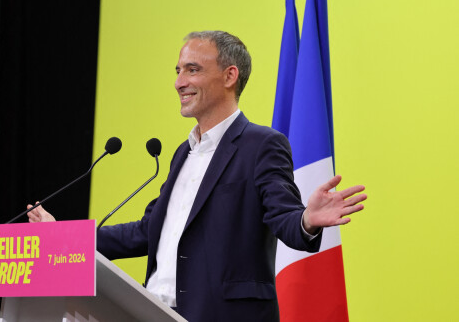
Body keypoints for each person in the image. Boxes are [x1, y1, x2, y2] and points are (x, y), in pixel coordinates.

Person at [28, 31, 366, 322]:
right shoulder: (181, 153)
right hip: (150, 312)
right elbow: (147, 232)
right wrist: (63, 238)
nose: (179, 82)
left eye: (193, 70)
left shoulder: (262, 145)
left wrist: (307, 219)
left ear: (230, 75)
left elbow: (283, 217)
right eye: (178, 71)